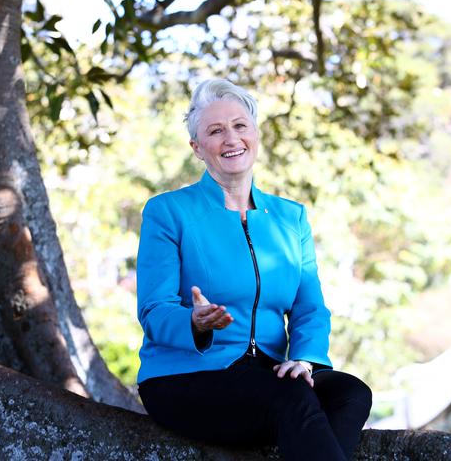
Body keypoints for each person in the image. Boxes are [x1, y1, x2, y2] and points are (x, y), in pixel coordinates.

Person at [136, 78, 372, 460]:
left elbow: (309, 308)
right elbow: (153, 310)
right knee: (292, 399)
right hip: (185, 377)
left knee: (350, 393)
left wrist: (305, 360)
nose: (231, 138)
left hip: (268, 374)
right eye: (215, 131)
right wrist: (194, 323)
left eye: (240, 126)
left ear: (255, 134)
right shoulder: (168, 212)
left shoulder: (291, 217)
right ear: (197, 148)